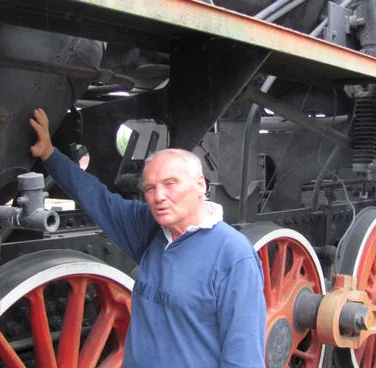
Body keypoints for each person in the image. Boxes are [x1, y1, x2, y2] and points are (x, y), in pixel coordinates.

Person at [28, 108, 267, 367]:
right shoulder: (151, 229)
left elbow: (243, 356)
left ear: (201, 184)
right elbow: (99, 199)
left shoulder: (233, 255)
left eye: (170, 183)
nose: (158, 196)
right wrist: (50, 155)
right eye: (151, 188)